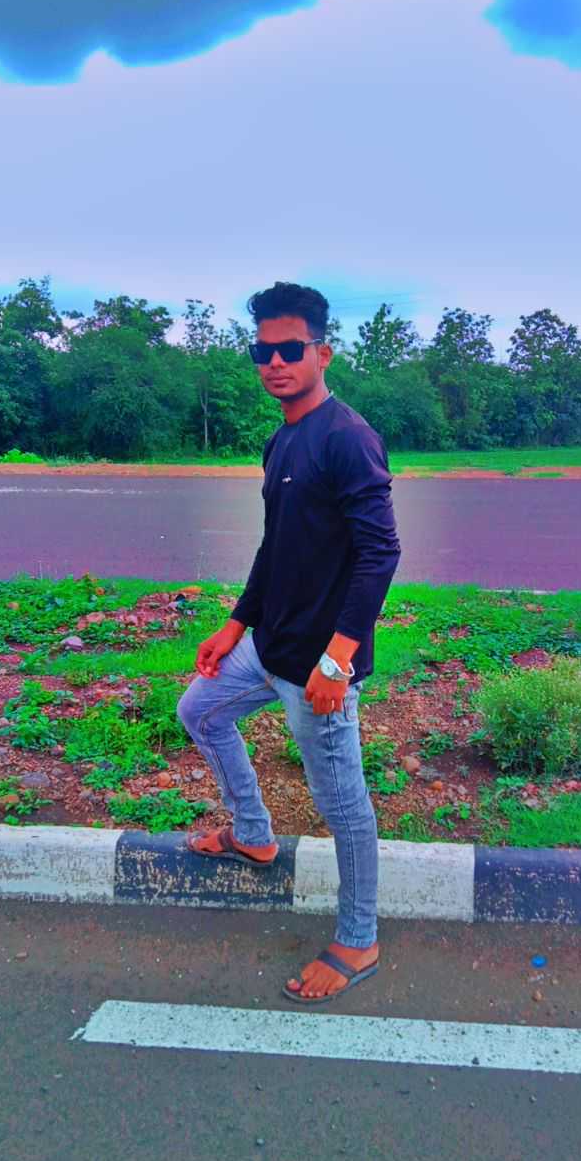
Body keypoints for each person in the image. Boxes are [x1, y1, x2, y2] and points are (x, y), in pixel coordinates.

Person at [176, 281, 401, 1005]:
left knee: (343, 807)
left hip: (319, 669)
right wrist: (235, 624)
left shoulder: (347, 438)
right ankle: (254, 834)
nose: (274, 362)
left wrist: (338, 659)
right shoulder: (281, 441)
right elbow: (275, 548)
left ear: (321, 353)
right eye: (262, 351)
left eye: (290, 349)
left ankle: (358, 939)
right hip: (267, 647)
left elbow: (380, 554)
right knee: (200, 710)